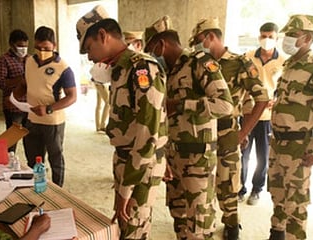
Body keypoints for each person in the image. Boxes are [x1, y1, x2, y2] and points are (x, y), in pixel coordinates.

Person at [76, 5, 168, 240]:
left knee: (132, 229)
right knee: (128, 226)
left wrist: (124, 191)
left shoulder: (142, 68)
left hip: (140, 166)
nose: (88, 55)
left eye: (89, 47)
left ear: (103, 36)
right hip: (127, 160)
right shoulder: (120, 68)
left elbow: (148, 135)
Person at [144, 16, 233, 240]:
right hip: (174, 158)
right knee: (179, 215)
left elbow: (225, 105)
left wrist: (182, 105)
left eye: (151, 49)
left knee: (199, 221)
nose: (151, 56)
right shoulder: (167, 72)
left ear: (161, 45)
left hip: (198, 158)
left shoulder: (199, 61)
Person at [188, 18, 270, 239]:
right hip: (198, 133)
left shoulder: (239, 63)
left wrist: (243, 133)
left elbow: (261, 98)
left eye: (199, 40)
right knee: (200, 182)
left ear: (211, 37)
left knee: (227, 183)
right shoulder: (196, 62)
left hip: (225, 133)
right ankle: (202, 223)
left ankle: (232, 224)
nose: (196, 44)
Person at [268, 14, 313, 240]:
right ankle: (276, 233)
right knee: (278, 195)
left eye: (292, 35)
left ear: (307, 38)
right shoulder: (289, 65)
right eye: (286, 34)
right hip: (277, 143)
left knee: (296, 203)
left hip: (299, 146)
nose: (286, 39)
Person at [21, 26, 77, 187]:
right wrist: (16, 94)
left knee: (55, 158)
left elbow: (72, 97)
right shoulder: (29, 61)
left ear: (55, 45)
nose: (42, 51)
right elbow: (28, 81)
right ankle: (37, 186)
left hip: (53, 121)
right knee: (33, 158)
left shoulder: (63, 68)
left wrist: (49, 108)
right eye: (38, 48)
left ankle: (58, 189)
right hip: (32, 118)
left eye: (46, 48)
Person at [239, 22, 286, 206]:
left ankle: (256, 190)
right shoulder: (248, 57)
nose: (266, 40)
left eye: (270, 37)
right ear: (259, 37)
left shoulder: (283, 62)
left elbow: (284, 88)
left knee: (262, 156)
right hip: (248, 113)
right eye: (263, 36)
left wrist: (278, 100)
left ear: (277, 38)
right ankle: (240, 189)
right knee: (242, 153)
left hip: (267, 116)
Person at [0, 29, 29, 153]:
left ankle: (32, 164)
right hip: (13, 107)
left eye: (25, 46)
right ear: (11, 44)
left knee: (31, 140)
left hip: (31, 105)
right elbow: (0, 83)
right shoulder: (2, 61)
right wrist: (22, 79)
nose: (23, 49)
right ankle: (8, 163)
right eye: (20, 46)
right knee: (12, 139)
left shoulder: (30, 59)